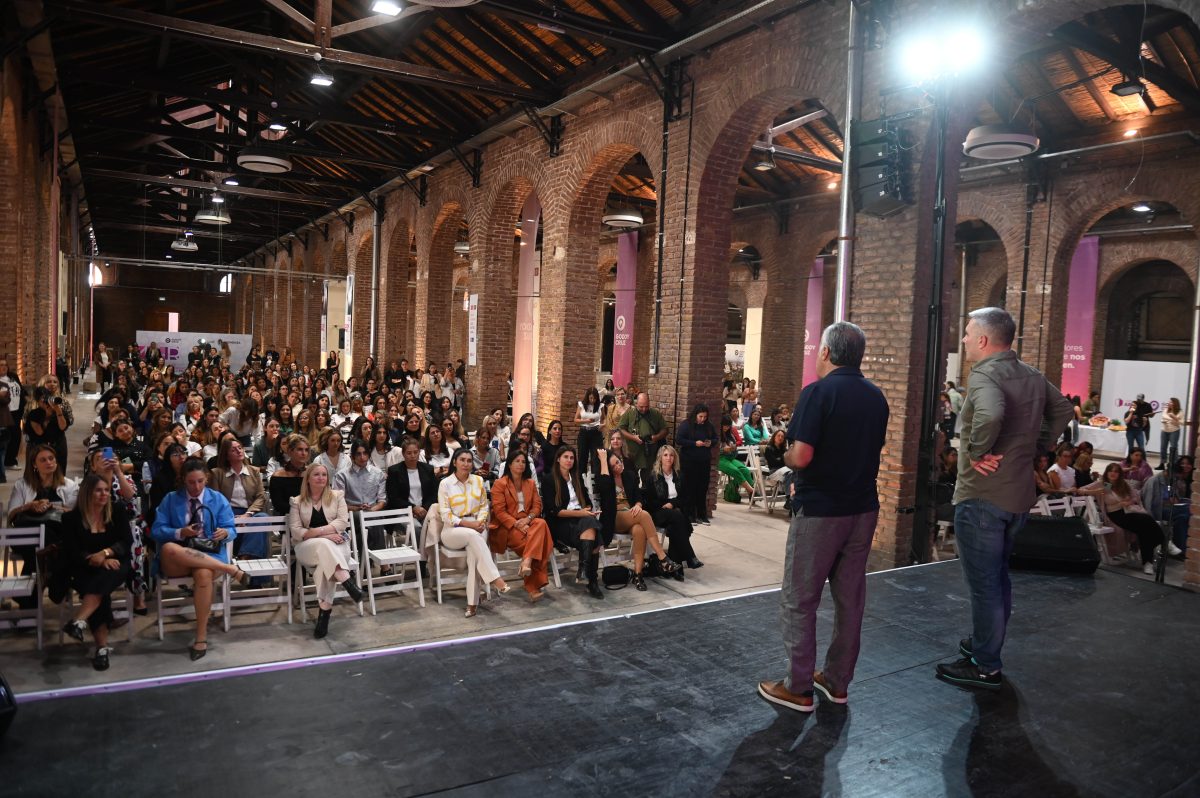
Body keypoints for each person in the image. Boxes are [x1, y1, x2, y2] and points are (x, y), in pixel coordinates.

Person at [936, 307, 1074, 691]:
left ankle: (985, 665)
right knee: (997, 578)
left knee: (985, 584)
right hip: (1017, 495)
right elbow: (1063, 409)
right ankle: (985, 642)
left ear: (983, 339)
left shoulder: (984, 374)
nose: (964, 339)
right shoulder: (1031, 374)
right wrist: (1038, 445)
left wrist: (977, 451)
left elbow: (992, 414)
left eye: (967, 333)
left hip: (983, 496)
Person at [757, 322, 889, 714]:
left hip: (821, 511)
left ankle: (798, 687)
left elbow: (801, 456)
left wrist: (783, 456)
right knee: (850, 600)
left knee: (799, 599)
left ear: (827, 352)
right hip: (863, 509)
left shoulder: (818, 392)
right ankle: (836, 680)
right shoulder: (876, 397)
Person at [151, 458, 251, 660]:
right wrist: (180, 532)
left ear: (206, 478)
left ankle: (201, 636)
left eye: (200, 481)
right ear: (183, 480)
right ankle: (231, 570)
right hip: (178, 557)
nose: (196, 487)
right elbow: (156, 530)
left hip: (210, 555)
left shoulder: (218, 499)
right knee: (169, 548)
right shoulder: (171, 499)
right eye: (191, 482)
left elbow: (231, 529)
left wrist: (225, 533)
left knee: (204, 574)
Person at [60, 473, 133, 671]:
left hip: (117, 562)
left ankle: (79, 621)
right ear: (87, 493)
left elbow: (126, 541)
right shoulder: (71, 519)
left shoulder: (117, 510)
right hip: (85, 566)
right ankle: (101, 649)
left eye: (107, 490)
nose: (104, 494)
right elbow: (72, 551)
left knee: (101, 581)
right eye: (98, 490)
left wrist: (105, 554)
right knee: (99, 589)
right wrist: (96, 560)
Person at [288, 463, 363, 638]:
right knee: (324, 545)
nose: (321, 478)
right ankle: (347, 581)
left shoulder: (337, 496)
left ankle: (324, 614)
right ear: (308, 479)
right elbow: (296, 531)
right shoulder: (297, 501)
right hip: (307, 547)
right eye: (316, 474)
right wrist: (325, 535)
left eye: (324, 474)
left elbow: (342, 522)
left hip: (338, 546)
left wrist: (316, 532)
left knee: (325, 565)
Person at [436, 448, 511, 618]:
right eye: (462, 460)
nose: (466, 463)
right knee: (473, 536)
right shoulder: (445, 484)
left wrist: (481, 522)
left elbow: (484, 506)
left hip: (477, 525)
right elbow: (445, 515)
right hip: (452, 530)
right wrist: (469, 525)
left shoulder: (478, 481)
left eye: (469, 461)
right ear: (454, 462)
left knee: (474, 557)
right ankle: (495, 578)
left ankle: (472, 603)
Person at [6, 444, 79, 607]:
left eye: (51, 459)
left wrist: (53, 507)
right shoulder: (22, 485)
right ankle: (55, 579)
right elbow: (11, 515)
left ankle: (28, 600)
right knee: (46, 541)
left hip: (54, 534)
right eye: (43, 460)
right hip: (27, 537)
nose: (49, 462)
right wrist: (29, 506)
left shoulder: (68, 485)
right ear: (34, 464)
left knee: (46, 534)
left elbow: (76, 515)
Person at [1078, 463, 1173, 573]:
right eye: (1111, 471)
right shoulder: (1104, 484)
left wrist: (1128, 502)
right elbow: (1081, 490)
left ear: (1119, 474)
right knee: (1146, 520)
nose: (1113, 473)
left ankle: (1148, 563)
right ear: (1107, 472)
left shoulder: (1122, 484)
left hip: (1128, 511)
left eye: (1116, 471)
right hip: (1115, 515)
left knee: (1144, 530)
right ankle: (1164, 543)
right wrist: (1095, 492)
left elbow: (1135, 496)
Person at [489, 449, 555, 602]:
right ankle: (533, 586)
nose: (521, 464)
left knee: (541, 522)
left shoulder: (530, 483)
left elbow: (537, 506)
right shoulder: (500, 484)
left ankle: (527, 562)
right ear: (509, 464)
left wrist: (528, 519)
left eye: (523, 461)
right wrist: (517, 524)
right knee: (538, 543)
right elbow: (499, 512)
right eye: (517, 461)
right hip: (507, 526)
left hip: (528, 522)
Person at [541, 445, 605, 599]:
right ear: (558, 459)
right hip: (560, 524)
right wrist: (581, 513)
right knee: (594, 532)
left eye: (571, 458)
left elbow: (587, 502)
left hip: (581, 521)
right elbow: (553, 511)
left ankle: (585, 571)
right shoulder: (549, 479)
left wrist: (586, 511)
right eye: (565, 457)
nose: (569, 460)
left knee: (591, 527)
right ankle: (591, 580)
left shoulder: (576, 478)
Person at [208, 438, 270, 560]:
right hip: (227, 514)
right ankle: (247, 559)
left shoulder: (254, 471)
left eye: (240, 448)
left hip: (249, 512)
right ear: (226, 456)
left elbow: (261, 496)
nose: (238, 451)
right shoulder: (216, 473)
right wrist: (229, 516)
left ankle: (245, 557)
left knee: (263, 517)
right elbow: (215, 500)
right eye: (233, 450)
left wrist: (247, 514)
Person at [648, 445, 702, 571]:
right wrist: (667, 505)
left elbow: (686, 498)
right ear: (660, 458)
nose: (669, 458)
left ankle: (677, 567)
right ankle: (690, 556)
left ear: (675, 458)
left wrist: (673, 504)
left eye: (671, 455)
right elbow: (650, 501)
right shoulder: (653, 476)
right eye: (665, 455)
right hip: (659, 512)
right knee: (679, 518)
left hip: (676, 512)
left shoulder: (679, 475)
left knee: (675, 526)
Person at [675, 404, 717, 525]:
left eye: (705, 417)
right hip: (689, 461)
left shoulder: (708, 426)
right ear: (695, 415)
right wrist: (694, 443)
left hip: (704, 461)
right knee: (689, 488)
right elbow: (679, 440)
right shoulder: (686, 425)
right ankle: (689, 515)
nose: (702, 419)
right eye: (700, 416)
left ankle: (702, 515)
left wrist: (710, 442)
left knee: (702, 488)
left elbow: (715, 438)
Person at [25, 375, 72, 474]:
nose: (52, 384)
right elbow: (36, 430)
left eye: (55, 382)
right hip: (38, 445)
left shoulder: (61, 402)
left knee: (59, 473)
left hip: (58, 444)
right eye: (49, 382)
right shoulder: (33, 408)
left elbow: (66, 424)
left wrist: (58, 411)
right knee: (36, 475)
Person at [618, 392, 667, 470]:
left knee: (649, 475)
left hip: (651, 454)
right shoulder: (630, 413)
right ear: (636, 404)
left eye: (646, 406)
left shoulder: (655, 413)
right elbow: (621, 428)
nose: (644, 409)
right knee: (632, 474)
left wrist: (656, 437)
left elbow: (665, 430)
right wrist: (633, 437)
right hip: (633, 453)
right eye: (641, 407)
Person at [717, 415, 754, 502]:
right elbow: (714, 450)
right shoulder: (716, 435)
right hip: (719, 459)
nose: (726, 428)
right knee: (735, 470)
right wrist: (723, 450)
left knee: (745, 470)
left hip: (730, 458)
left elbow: (735, 451)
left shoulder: (730, 435)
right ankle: (751, 490)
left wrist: (733, 449)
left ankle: (751, 493)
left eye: (728, 426)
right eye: (724, 425)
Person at [0, 356, 23, 469]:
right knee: (7, 437)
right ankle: (7, 461)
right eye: (1, 365)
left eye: (5, 365)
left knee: (16, 436)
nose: (4, 367)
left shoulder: (13, 377)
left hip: (16, 411)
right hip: (5, 413)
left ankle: (10, 460)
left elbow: (21, 390)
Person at [575, 387, 604, 474]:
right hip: (584, 432)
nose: (592, 400)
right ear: (587, 397)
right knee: (582, 456)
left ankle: (595, 478)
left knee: (596, 457)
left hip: (596, 432)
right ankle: (581, 478)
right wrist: (586, 421)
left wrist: (602, 425)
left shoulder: (600, 406)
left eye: (594, 398)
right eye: (591, 398)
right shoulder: (581, 405)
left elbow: (604, 419)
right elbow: (576, 420)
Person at [1159, 397, 1185, 469]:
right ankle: (1162, 463)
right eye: (1169, 402)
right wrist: (1168, 420)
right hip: (1164, 430)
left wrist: (1174, 418)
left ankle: (1174, 463)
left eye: (1170, 402)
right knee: (1163, 447)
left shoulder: (1180, 412)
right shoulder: (1166, 410)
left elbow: (1182, 423)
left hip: (1174, 431)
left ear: (1175, 403)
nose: (1168, 403)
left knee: (1173, 447)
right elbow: (1162, 418)